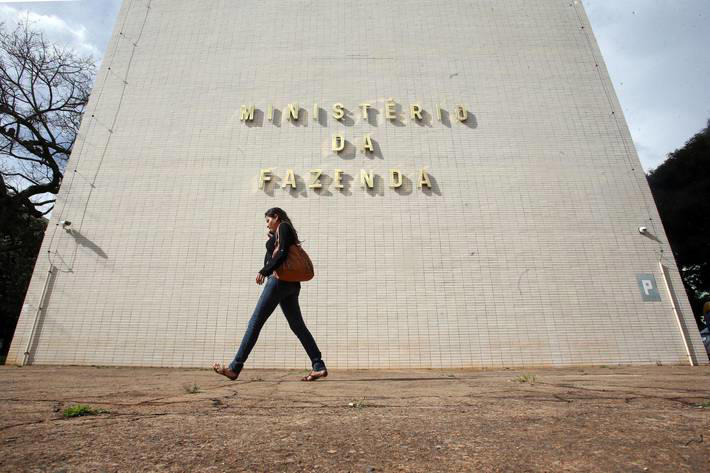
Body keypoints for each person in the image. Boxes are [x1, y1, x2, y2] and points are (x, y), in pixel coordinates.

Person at [213, 208, 327, 381]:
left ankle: (235, 367)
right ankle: (318, 366)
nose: (267, 224)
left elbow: (281, 253)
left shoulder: (283, 226)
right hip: (291, 285)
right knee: (298, 326)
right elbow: (279, 250)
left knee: (255, 323)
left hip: (279, 282)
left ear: (276, 217)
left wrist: (265, 271)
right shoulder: (281, 231)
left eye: (268, 220)